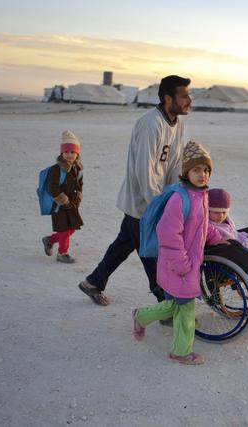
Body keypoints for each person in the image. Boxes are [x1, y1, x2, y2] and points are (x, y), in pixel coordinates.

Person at [78, 75, 192, 306]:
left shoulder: (178, 123)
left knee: (124, 244)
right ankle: (166, 304)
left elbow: (174, 164)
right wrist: (157, 207)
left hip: (156, 201)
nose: (189, 100)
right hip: (142, 204)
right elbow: (144, 170)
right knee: (152, 254)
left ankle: (93, 281)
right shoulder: (151, 123)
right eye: (184, 96)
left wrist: (174, 197)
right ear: (168, 98)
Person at [132, 141, 222, 365]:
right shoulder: (178, 198)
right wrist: (181, 263)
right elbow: (168, 233)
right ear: (186, 172)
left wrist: (217, 236)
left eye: (206, 170)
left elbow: (201, 226)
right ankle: (181, 352)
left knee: (175, 305)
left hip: (186, 264)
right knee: (186, 308)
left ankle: (141, 316)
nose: (202, 175)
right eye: (196, 170)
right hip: (179, 265)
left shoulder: (201, 195)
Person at [41, 130, 84, 264]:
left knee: (71, 229)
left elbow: (79, 185)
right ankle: (62, 254)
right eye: (66, 152)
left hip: (72, 205)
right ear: (62, 153)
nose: (69, 155)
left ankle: (50, 240)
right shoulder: (56, 169)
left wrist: (78, 198)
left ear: (77, 154)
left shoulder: (77, 169)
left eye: (73, 152)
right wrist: (63, 200)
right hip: (59, 206)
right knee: (64, 231)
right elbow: (52, 187)